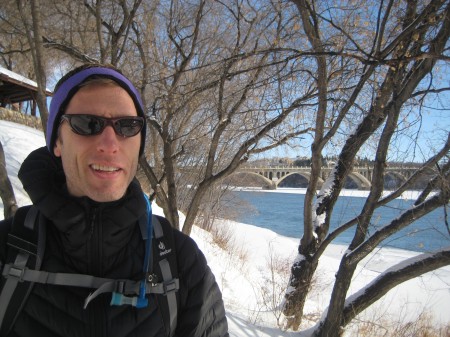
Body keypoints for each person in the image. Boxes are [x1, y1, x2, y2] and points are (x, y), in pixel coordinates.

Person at [0, 64, 229, 337]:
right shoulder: (5, 251)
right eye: (87, 123)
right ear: (57, 142)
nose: (110, 143)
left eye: (127, 126)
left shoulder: (181, 262)